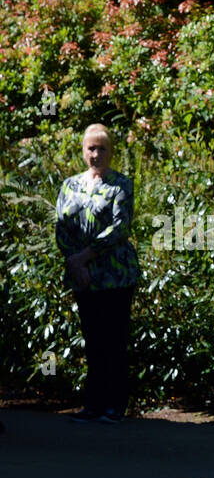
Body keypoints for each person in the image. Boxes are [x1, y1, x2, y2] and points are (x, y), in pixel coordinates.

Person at [55, 124, 139, 424]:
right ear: (83, 151)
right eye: (91, 148)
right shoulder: (69, 185)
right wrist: (75, 264)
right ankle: (93, 404)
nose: (96, 154)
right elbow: (60, 227)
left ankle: (115, 406)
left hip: (115, 276)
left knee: (113, 341)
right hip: (83, 275)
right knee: (92, 341)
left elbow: (119, 228)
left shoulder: (121, 184)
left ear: (111, 151)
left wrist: (84, 257)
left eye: (102, 148)